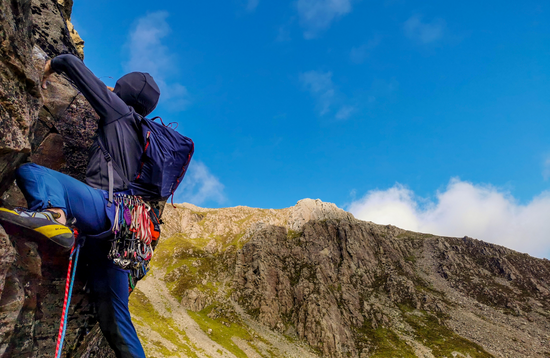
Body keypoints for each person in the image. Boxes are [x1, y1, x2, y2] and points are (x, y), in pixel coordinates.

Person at [0, 53, 160, 358]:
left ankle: (52, 215)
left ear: (123, 91)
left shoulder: (119, 112)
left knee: (33, 171)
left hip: (102, 207)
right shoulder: (146, 135)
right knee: (114, 313)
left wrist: (49, 67)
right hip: (126, 228)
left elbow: (72, 64)